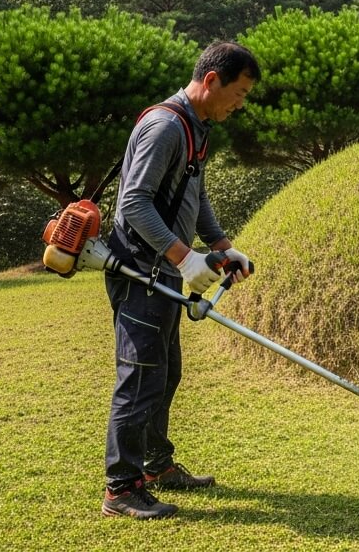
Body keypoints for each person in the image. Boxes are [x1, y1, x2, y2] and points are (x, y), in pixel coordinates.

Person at [100, 41, 260, 520]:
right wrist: (184, 256)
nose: (241, 104)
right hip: (140, 272)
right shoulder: (166, 126)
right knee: (140, 380)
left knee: (165, 374)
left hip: (164, 271)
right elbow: (134, 202)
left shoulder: (196, 128)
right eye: (239, 93)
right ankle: (121, 488)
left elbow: (196, 194)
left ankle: (156, 466)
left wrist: (221, 245)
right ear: (211, 81)